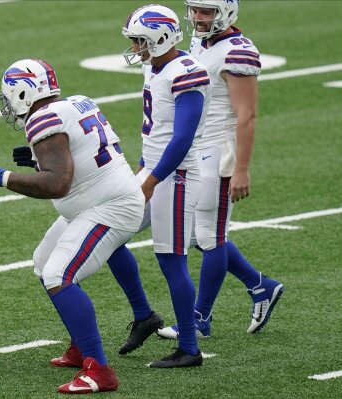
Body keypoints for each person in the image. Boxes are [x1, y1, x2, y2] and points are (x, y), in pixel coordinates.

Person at [0, 58, 148, 394]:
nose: (8, 103)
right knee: (44, 263)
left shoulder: (43, 119)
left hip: (109, 207)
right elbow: (81, 152)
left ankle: (99, 370)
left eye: (10, 94)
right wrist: (39, 160)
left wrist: (1, 177)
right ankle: (81, 346)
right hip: (97, 201)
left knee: (58, 275)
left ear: (24, 91)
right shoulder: (75, 102)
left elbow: (57, 184)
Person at [157, 0, 284, 340]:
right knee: (200, 235)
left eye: (207, 12)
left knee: (210, 236)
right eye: (195, 10)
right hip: (198, 148)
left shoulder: (237, 52)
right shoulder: (202, 42)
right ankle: (261, 286)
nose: (198, 17)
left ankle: (200, 317)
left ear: (226, 13)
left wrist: (242, 168)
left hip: (218, 150)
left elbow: (248, 115)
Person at [121, 4, 211, 367]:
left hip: (176, 176)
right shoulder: (154, 66)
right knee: (108, 236)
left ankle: (189, 348)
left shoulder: (186, 71)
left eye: (140, 41)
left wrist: (152, 178)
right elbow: (156, 129)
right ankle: (144, 315)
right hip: (153, 172)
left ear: (159, 37)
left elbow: (182, 137)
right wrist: (143, 169)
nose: (136, 48)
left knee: (171, 261)